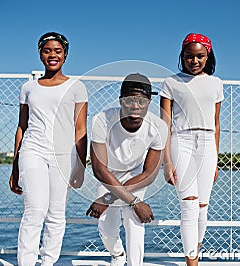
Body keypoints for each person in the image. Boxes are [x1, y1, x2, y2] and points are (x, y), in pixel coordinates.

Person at [9, 32, 88, 266]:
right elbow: (21, 127)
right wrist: (15, 166)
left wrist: (81, 166)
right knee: (34, 211)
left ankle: (48, 262)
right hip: (33, 150)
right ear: (40, 54)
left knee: (56, 215)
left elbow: (80, 128)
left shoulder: (77, 87)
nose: (52, 55)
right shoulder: (28, 88)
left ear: (65, 55)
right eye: (47, 50)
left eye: (57, 51)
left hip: (64, 155)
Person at [86, 73, 168, 266]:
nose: (135, 106)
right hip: (108, 175)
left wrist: (110, 199)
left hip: (136, 175)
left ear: (149, 102)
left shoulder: (159, 127)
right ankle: (117, 254)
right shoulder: (102, 119)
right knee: (106, 227)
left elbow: (150, 173)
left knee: (134, 219)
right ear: (120, 101)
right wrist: (125, 200)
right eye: (129, 100)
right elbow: (99, 168)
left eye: (141, 101)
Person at [160, 33, 224, 266]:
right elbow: (164, 124)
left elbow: (216, 124)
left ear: (208, 56)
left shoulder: (216, 84)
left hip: (207, 144)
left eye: (200, 56)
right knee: (188, 205)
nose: (194, 61)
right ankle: (192, 263)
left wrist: (216, 159)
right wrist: (167, 162)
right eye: (189, 56)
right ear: (182, 56)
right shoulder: (171, 83)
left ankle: (195, 250)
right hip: (182, 141)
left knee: (202, 207)